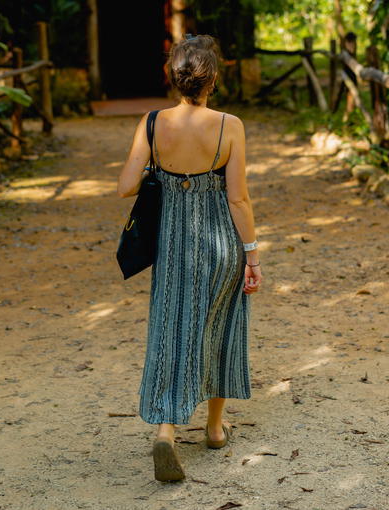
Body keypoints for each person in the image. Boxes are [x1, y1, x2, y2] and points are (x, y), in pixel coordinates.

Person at [117, 34, 261, 482]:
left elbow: (125, 186)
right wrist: (252, 255)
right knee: (222, 325)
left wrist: (160, 168)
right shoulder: (229, 125)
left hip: (173, 245)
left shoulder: (153, 122)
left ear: (173, 76)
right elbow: (238, 199)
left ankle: (165, 431)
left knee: (171, 328)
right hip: (221, 242)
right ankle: (215, 429)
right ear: (212, 78)